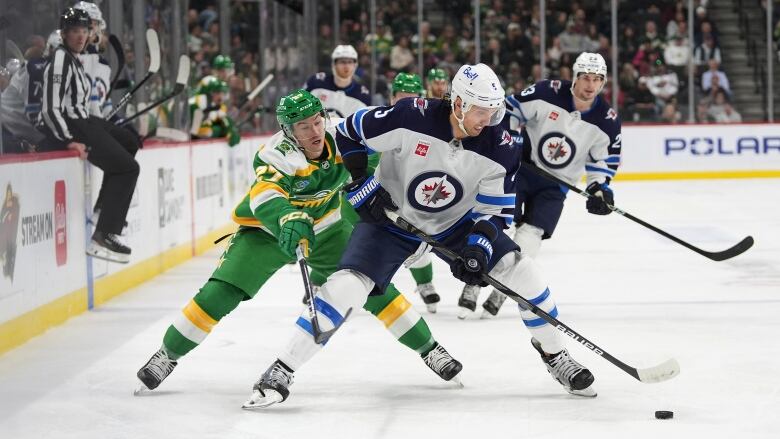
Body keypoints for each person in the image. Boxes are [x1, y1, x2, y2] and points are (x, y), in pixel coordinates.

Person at [244, 63, 597, 409]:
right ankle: (282, 368)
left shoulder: (501, 144)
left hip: (457, 224)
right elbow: (349, 132)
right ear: (457, 103)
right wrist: (359, 181)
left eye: (493, 111)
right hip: (391, 219)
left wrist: (479, 246)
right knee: (347, 286)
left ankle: (555, 354)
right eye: (481, 111)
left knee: (524, 273)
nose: (488, 120)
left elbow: (494, 212)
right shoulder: (410, 116)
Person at [135, 89, 461, 394]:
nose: (315, 132)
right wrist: (285, 217)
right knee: (220, 293)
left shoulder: (342, 134)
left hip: (326, 227)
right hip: (267, 231)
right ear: (288, 131)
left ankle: (430, 349)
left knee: (373, 285)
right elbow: (265, 195)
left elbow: (386, 152)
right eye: (303, 127)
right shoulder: (275, 154)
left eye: (317, 122)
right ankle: (167, 354)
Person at [474, 52, 622, 318]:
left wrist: (600, 188)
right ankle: (475, 279)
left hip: (556, 185)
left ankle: (502, 290)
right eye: (586, 77)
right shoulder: (546, 92)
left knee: (531, 234)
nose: (590, 85)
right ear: (575, 77)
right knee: (497, 219)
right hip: (521, 169)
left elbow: (603, 161)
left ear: (603, 82)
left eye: (597, 79)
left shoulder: (607, 121)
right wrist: (510, 141)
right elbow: (510, 109)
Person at [42, 8, 139, 263]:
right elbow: (50, 107)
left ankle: (102, 209)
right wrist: (68, 139)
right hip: (76, 126)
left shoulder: (74, 58)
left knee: (130, 141)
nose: (80, 36)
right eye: (74, 31)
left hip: (85, 120)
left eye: (84, 31)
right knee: (129, 169)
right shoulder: (61, 59)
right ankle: (104, 234)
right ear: (64, 34)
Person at [387, 73, 442, 313]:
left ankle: (425, 283)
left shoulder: (430, 129)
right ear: (392, 98)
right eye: (403, 98)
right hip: (372, 194)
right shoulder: (377, 120)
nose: (408, 103)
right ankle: (320, 284)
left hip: (409, 195)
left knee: (416, 238)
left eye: (413, 98)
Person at [304, 45, 370, 118]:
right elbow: (300, 107)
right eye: (342, 62)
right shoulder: (316, 83)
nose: (346, 66)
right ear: (334, 64)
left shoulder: (362, 95)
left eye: (350, 62)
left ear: (355, 65)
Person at [189, 77, 240, 146]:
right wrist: (218, 131)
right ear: (208, 94)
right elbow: (199, 133)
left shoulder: (217, 107)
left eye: (222, 93)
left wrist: (230, 130)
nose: (220, 96)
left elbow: (224, 121)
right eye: (217, 92)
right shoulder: (196, 104)